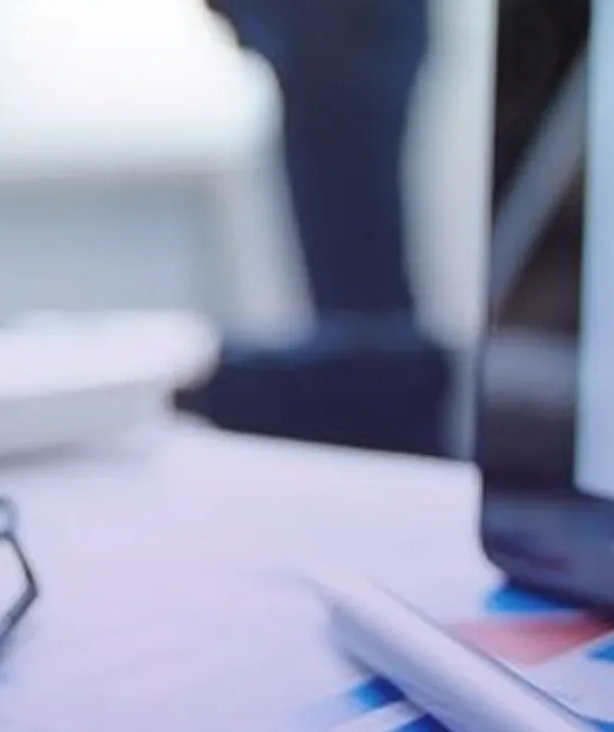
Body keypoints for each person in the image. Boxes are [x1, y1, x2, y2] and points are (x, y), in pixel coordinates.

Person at [189, 0, 450, 455]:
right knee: (355, 302)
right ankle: (385, 440)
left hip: (340, 33)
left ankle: (385, 447)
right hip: (333, 35)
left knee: (360, 312)